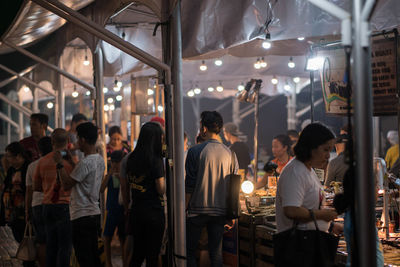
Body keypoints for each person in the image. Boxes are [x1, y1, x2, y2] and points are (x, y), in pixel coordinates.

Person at [186, 111, 238, 267]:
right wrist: (232, 215)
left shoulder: (195, 151)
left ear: (203, 129)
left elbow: (189, 184)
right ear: (220, 129)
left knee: (189, 252)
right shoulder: (230, 153)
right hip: (220, 212)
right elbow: (233, 188)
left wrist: (183, 210)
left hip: (196, 211)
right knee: (215, 253)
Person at [53, 122, 105, 267]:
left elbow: (67, 184)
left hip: (81, 215)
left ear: (82, 139)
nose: (76, 142)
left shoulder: (85, 163)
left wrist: (59, 164)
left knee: (84, 257)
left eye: (77, 138)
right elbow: (82, 177)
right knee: (93, 255)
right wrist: (70, 161)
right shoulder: (99, 160)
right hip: (94, 213)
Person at [275, 123, 338, 236]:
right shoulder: (295, 171)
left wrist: (332, 226)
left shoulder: (308, 170)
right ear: (311, 147)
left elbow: (309, 208)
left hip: (311, 241)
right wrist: (322, 215)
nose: (328, 156)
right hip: (299, 245)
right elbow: (291, 210)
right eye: (325, 150)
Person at [122, 122, 165, 267]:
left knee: (137, 254)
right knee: (152, 256)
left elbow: (126, 185)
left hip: (136, 211)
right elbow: (160, 188)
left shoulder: (131, 158)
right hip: (153, 212)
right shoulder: (156, 160)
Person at [33, 129, 74, 267]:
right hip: (65, 206)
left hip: (47, 206)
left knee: (51, 245)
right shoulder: (72, 162)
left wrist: (47, 187)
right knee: (65, 247)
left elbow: (36, 186)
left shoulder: (42, 161)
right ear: (68, 142)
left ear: (52, 142)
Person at [1, 142, 34, 267]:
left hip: (22, 211)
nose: (7, 159)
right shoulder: (11, 170)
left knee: (25, 237)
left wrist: (27, 210)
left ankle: (29, 261)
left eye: (9, 156)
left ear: (18, 156)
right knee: (18, 236)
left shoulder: (27, 168)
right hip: (12, 212)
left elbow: (29, 190)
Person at [25, 136, 52, 267]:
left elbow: (29, 191)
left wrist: (27, 211)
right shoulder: (57, 163)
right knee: (55, 240)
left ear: (39, 149)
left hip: (36, 206)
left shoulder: (32, 166)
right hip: (54, 204)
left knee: (42, 241)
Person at [100, 150, 126, 267]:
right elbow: (101, 189)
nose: (115, 164)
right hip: (110, 210)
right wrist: (109, 173)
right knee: (107, 237)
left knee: (123, 238)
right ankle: (108, 262)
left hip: (122, 210)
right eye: (113, 162)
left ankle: (125, 262)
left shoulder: (124, 174)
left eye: (117, 162)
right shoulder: (109, 176)